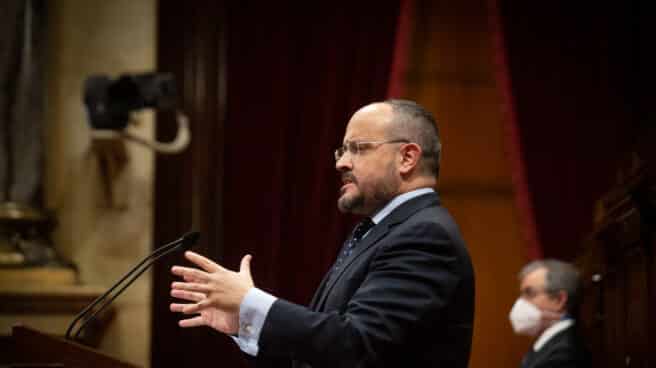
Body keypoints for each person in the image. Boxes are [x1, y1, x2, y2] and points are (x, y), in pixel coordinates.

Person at [169, 99, 475, 367]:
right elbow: (322, 356)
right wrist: (243, 322)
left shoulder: (425, 236)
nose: (342, 162)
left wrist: (252, 301)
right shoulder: (376, 231)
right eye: (342, 150)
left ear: (407, 157)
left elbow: (357, 346)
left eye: (357, 148)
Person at [509, 259, 591, 368]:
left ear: (559, 300)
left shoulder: (564, 354)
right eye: (522, 295)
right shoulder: (551, 343)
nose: (520, 303)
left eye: (529, 293)